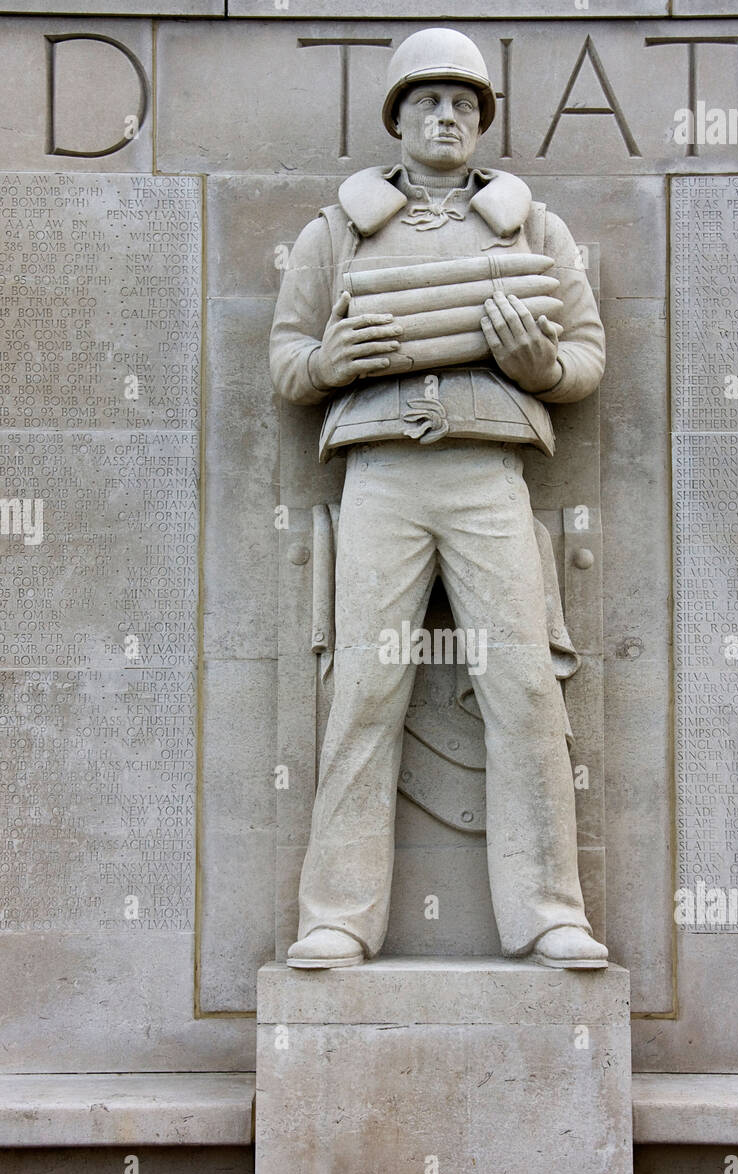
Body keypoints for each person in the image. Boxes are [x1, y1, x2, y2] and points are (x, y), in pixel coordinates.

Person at [270, 27, 608, 970]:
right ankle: (338, 915)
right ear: (398, 116)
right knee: (365, 691)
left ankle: (546, 913)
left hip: (487, 476)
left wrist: (538, 364)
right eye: (428, 101)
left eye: (465, 102)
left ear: (484, 120)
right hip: (380, 477)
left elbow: (583, 357)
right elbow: (289, 360)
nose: (448, 116)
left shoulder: (529, 228)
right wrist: (328, 363)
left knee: (524, 690)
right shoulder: (336, 232)